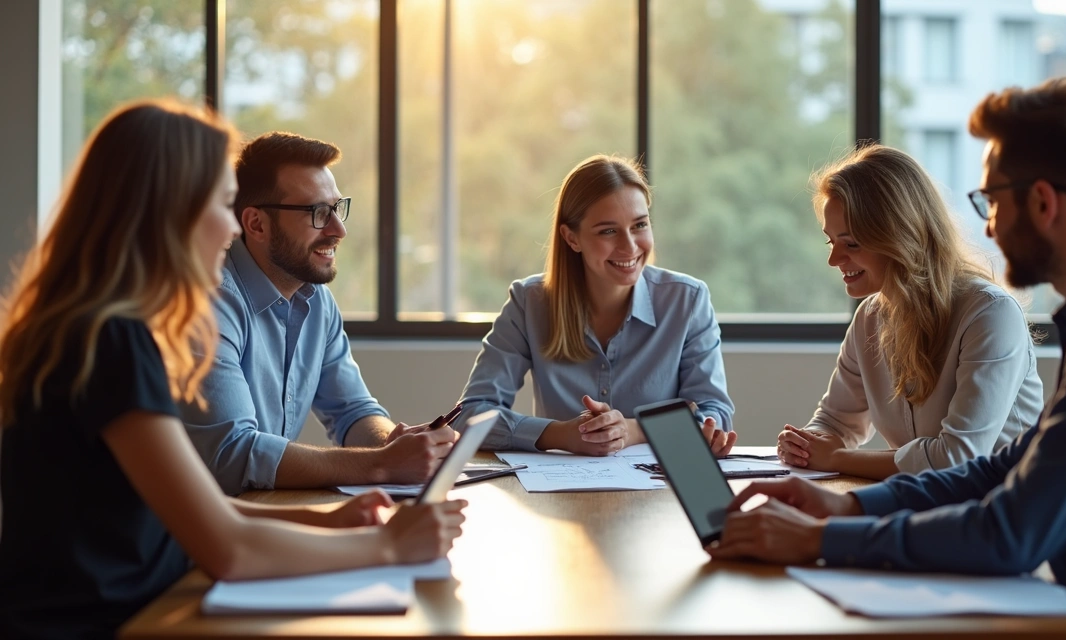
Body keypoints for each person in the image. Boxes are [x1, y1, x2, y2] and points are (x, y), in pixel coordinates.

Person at [710, 77, 1066, 639]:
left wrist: (820, 538)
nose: (988, 224)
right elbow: (1006, 467)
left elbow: (1009, 531)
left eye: (992, 200)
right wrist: (846, 509)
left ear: (1044, 202)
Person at [0, 101, 465, 639]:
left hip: (144, 608)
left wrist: (327, 521)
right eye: (224, 204)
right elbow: (226, 547)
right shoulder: (112, 341)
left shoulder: (92, 328)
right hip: (107, 625)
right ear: (170, 210)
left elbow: (190, 506)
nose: (231, 226)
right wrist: (387, 546)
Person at [179, 132, 456, 495]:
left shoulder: (316, 300)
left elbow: (353, 410)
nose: (339, 230)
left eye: (337, 209)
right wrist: (382, 464)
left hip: (261, 515)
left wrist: (394, 442)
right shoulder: (210, 303)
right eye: (318, 213)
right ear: (256, 224)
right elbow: (234, 453)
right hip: (199, 532)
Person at [776, 144, 1043, 480]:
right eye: (831, 242)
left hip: (998, 515)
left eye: (851, 243)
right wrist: (804, 445)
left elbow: (957, 458)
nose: (834, 260)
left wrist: (837, 459)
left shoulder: (990, 314)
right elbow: (835, 423)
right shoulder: (870, 318)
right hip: (925, 507)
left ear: (900, 235)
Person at [455, 154, 736, 455]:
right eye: (608, 231)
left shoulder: (687, 300)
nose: (629, 246)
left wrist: (635, 430)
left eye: (639, 225)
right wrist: (560, 434)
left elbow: (714, 414)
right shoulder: (529, 303)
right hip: (557, 493)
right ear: (571, 238)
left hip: (662, 491)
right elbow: (469, 415)